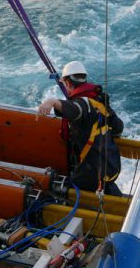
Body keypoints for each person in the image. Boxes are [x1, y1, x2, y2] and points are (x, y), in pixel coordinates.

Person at [37, 61, 123, 196]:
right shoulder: (99, 101)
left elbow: (75, 109)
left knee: (61, 192)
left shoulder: (82, 104)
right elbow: (118, 128)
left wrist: (51, 101)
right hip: (111, 165)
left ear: (67, 83)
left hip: (92, 171)